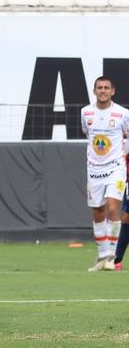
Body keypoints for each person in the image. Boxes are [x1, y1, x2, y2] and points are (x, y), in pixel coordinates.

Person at [81, 76, 129, 271]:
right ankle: (102, 257)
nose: (102, 91)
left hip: (116, 167)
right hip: (94, 169)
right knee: (98, 211)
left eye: (106, 88)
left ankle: (111, 256)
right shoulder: (86, 112)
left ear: (112, 91)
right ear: (94, 91)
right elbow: (88, 134)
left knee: (113, 207)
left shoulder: (122, 113)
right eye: (99, 88)